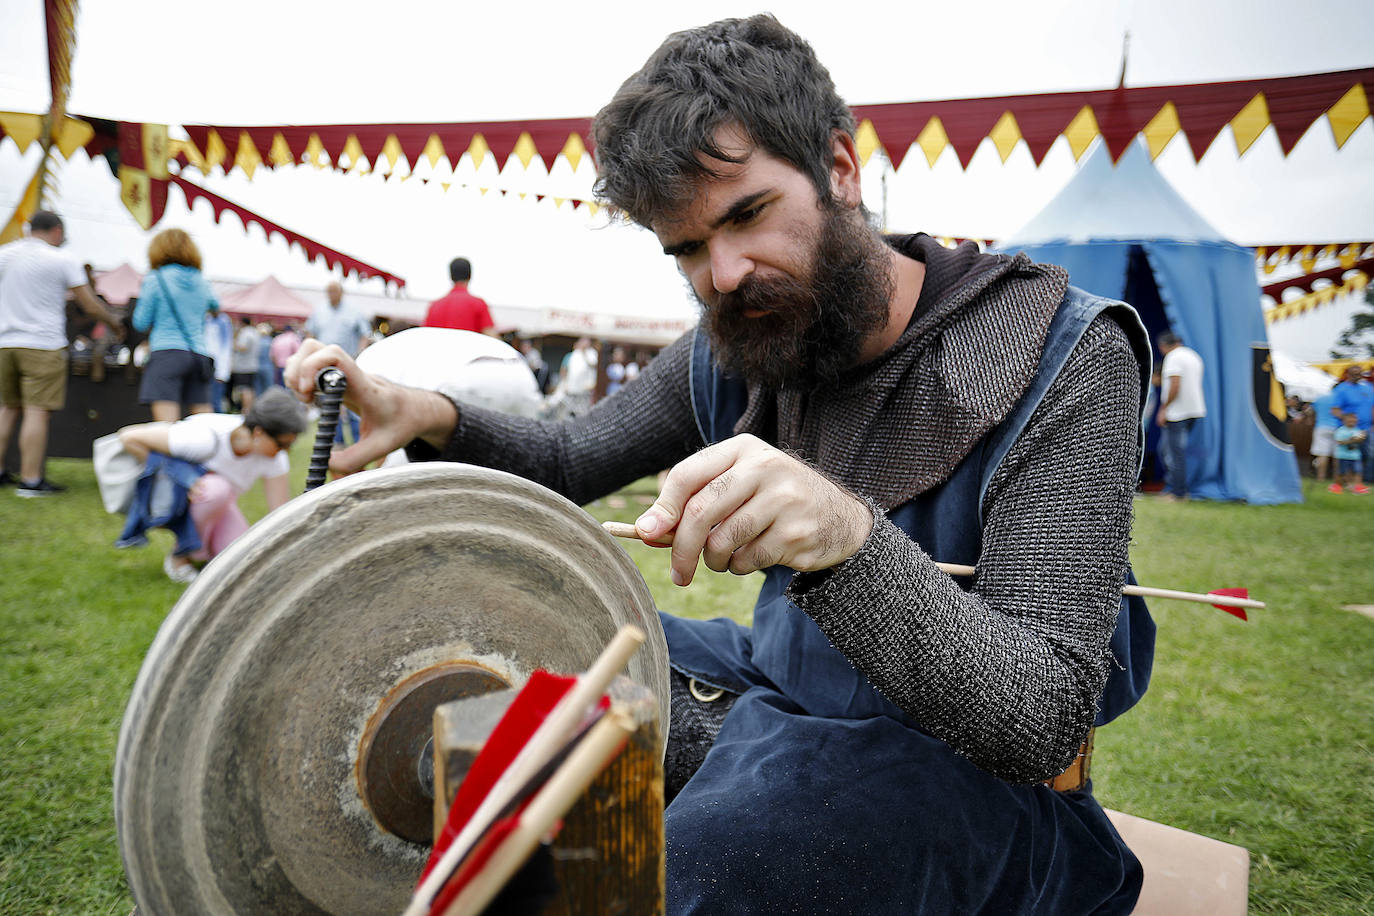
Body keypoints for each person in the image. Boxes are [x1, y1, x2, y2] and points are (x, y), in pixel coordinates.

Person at [288, 15, 1153, 913]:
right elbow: (572, 457)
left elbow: (1039, 716)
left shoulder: (1062, 353)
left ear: (840, 170)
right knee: (528, 667)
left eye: (748, 215)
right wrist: (421, 411)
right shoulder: (738, 340)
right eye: (689, 249)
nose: (726, 272)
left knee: (709, 863)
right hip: (781, 703)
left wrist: (846, 538)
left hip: (985, 795)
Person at [117, 387, 307, 582]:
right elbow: (128, 437)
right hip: (181, 502)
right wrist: (182, 476)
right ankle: (180, 556)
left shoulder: (275, 459)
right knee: (217, 489)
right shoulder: (204, 438)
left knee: (242, 562)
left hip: (220, 506)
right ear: (259, 432)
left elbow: (280, 514)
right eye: (283, 444)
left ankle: (202, 549)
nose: (286, 451)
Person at [0, 210, 123, 495]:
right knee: (36, 411)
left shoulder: (5, 254)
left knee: (6, 408)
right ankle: (31, 481)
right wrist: (113, 323)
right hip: (42, 344)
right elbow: (90, 305)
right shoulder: (62, 259)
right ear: (57, 231)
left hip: (5, 343)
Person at [130, 228, 217, 424]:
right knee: (205, 425)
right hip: (199, 355)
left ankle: (169, 456)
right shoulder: (201, 280)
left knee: (167, 429)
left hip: (166, 353)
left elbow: (140, 322)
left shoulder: (155, 278)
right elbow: (215, 304)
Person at [305, 281, 371, 443]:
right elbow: (310, 334)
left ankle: (358, 441)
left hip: (349, 363)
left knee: (353, 402)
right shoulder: (319, 311)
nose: (332, 294)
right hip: (325, 365)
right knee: (330, 405)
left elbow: (365, 334)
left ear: (342, 292)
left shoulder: (354, 311)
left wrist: (359, 354)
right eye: (329, 291)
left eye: (335, 291)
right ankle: (337, 442)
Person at [1156, 331, 1206, 501]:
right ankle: (1175, 488)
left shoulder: (1173, 358)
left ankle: (1178, 492)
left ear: (1163, 346)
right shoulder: (1193, 356)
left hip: (1177, 413)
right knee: (1173, 451)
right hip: (1194, 410)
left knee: (1171, 453)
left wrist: (1164, 408)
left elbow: (1175, 385)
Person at [424, 257, 495, 334]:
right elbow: (490, 334)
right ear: (470, 276)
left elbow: (426, 334)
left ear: (451, 276)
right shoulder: (478, 304)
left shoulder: (434, 306)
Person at [1330, 364, 1373, 485]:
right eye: (1354, 374)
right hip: (1347, 430)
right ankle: (1344, 482)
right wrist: (1348, 420)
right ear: (1348, 374)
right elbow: (1335, 409)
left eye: (1359, 374)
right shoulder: (1341, 389)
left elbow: (1372, 407)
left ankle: (1358, 481)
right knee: (1346, 456)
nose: (1357, 376)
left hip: (1366, 429)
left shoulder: (1368, 388)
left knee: (1366, 455)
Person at [203, 301, 233, 412]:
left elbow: (225, 349)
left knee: (215, 402)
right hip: (206, 365)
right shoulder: (208, 320)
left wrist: (222, 372)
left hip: (217, 369)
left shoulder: (223, 321)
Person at [1331, 412, 1368, 494]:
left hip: (1355, 456)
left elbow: (1361, 440)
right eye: (1350, 419)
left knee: (1358, 471)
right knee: (1341, 472)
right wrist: (1352, 440)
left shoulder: (1357, 430)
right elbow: (1339, 442)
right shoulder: (1341, 430)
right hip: (1343, 456)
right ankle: (1337, 486)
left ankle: (1357, 487)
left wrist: (1362, 438)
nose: (1352, 421)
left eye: (1354, 419)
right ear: (1344, 420)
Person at [230, 316, 260, 414]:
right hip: (252, 365)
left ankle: (246, 410)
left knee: (244, 389)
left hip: (243, 367)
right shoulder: (255, 332)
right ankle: (250, 409)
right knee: (250, 388)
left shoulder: (245, 333)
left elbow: (243, 347)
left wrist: (233, 342)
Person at [1310, 386, 1338, 481]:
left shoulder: (1320, 398)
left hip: (1321, 427)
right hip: (1337, 427)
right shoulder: (1339, 398)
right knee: (1337, 455)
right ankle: (1336, 478)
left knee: (1322, 455)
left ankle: (1320, 477)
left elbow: (1311, 411)